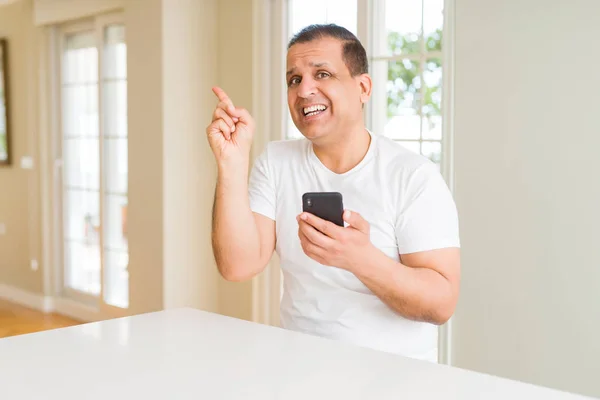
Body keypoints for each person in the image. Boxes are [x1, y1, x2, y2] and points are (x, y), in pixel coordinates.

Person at [206, 24, 461, 362]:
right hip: (300, 370)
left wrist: (359, 259)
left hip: (396, 381)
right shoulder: (277, 162)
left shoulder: (413, 177)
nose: (304, 89)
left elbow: (440, 304)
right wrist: (232, 164)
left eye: (322, 74)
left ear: (363, 88)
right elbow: (237, 266)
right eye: (294, 79)